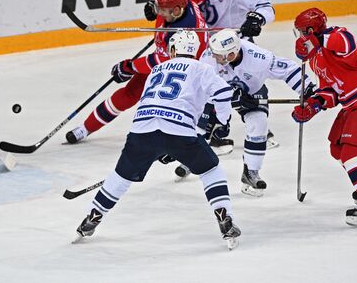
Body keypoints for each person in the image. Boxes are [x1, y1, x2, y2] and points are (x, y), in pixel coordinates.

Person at [73, 30, 241, 249]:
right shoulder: (202, 68)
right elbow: (222, 93)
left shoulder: (156, 69)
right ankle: (224, 218)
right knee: (210, 170)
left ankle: (92, 218)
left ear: (172, 50)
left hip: (141, 131)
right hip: (179, 129)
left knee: (120, 177)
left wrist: (160, 147)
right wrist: (223, 121)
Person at [145, 0, 278, 155]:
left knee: (246, 85)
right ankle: (218, 133)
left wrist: (257, 19)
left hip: (236, 45)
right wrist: (156, 5)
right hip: (211, 48)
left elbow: (266, 6)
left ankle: (260, 127)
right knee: (210, 87)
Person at [175, 28, 315, 197]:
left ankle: (251, 172)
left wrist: (307, 90)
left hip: (252, 92)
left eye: (218, 54)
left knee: (259, 123)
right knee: (202, 127)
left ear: (231, 55)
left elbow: (289, 70)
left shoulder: (259, 58)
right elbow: (203, 89)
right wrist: (229, 102)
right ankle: (190, 158)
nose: (213, 56)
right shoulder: (209, 59)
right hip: (218, 96)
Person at [65, 0, 208, 144]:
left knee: (167, 105)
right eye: (159, 8)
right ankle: (86, 127)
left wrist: (129, 67)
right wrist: (153, 5)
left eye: (162, 10)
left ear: (177, 10)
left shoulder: (184, 33)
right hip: (167, 56)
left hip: (184, 70)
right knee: (129, 93)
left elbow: (160, 62)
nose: (159, 12)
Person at [292, 8, 357, 227]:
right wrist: (313, 105)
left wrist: (318, 39)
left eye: (301, 31)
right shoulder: (315, 59)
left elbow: (346, 43)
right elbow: (331, 90)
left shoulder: (336, 37)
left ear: (310, 30)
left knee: (351, 152)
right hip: (355, 101)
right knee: (337, 147)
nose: (299, 36)